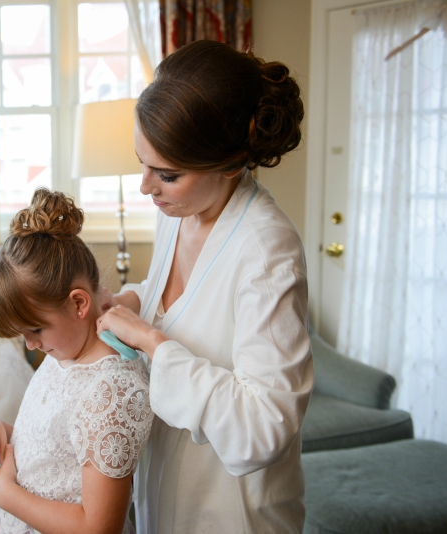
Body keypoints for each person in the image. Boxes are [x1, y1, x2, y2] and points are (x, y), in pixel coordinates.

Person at [96, 40, 314, 533]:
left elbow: (266, 427)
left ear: (233, 163)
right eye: (143, 164)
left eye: (167, 174)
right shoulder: (181, 210)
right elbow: (174, 293)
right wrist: (129, 301)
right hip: (166, 487)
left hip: (232, 511)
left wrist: (153, 342)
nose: (146, 188)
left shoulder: (267, 251)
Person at [0, 188, 154, 534]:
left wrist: (6, 494)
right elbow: (59, 444)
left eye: (35, 329)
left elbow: (98, 527)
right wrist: (1, 429)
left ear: (79, 304)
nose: (30, 344)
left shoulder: (111, 393)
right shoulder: (67, 351)